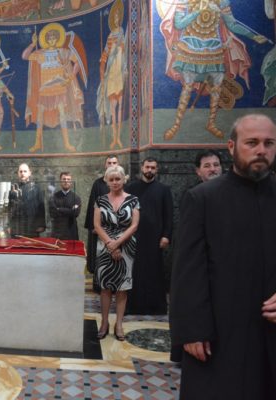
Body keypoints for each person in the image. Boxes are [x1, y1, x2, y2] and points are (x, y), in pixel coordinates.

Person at [171, 114, 276, 399]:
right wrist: (192, 329)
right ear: (232, 146)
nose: (261, 150)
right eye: (252, 142)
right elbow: (188, 270)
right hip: (220, 334)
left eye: (269, 143)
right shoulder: (203, 198)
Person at [160, 0, 268, 140]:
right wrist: (198, 11)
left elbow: (232, 24)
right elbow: (179, 24)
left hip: (214, 48)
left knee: (216, 88)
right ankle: (176, 125)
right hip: (191, 48)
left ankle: (211, 123)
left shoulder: (221, 2)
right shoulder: (185, 1)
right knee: (187, 87)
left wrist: (253, 36)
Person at [22, 22, 87, 152]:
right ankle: (37, 143)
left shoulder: (63, 52)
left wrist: (70, 78)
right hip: (44, 89)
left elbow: (77, 63)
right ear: (46, 40)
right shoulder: (40, 53)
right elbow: (25, 56)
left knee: (62, 114)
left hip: (59, 88)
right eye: (49, 38)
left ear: (57, 39)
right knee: (40, 115)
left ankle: (67, 143)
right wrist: (33, 44)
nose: (51, 40)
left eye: (54, 37)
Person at [93, 165, 139, 341]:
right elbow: (97, 225)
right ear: (106, 181)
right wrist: (110, 244)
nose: (114, 182)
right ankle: (104, 323)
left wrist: (117, 243)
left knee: (122, 288)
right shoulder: (100, 200)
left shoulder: (133, 200)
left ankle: (119, 324)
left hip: (126, 247)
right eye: (111, 179)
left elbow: (134, 225)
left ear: (123, 179)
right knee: (105, 288)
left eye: (117, 179)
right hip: (104, 246)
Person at [125, 157, 173, 315]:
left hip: (155, 238)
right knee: (135, 271)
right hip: (134, 236)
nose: (149, 170)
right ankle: (133, 307)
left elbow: (169, 215)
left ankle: (156, 307)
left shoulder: (164, 190)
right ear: (142, 168)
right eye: (147, 167)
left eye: (153, 167)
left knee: (154, 272)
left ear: (156, 169)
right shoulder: (131, 188)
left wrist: (166, 236)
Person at [96, 0, 127, 150]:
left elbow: (124, 50)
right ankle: (114, 138)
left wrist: (118, 49)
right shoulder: (109, 36)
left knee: (120, 106)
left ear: (120, 18)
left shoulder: (122, 33)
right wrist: (102, 74)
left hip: (119, 71)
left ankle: (119, 137)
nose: (116, 19)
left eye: (118, 17)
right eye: (114, 17)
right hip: (110, 72)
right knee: (113, 106)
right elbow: (104, 55)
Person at [85, 155, 119, 276]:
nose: (111, 165)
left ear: (118, 165)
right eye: (109, 163)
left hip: (117, 228)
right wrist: (93, 226)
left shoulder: (122, 184)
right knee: (100, 260)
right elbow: (92, 205)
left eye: (114, 163)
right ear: (105, 165)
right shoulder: (98, 184)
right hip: (100, 228)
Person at [9, 163, 46, 237]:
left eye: (25, 171)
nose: (22, 173)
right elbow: (9, 208)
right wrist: (9, 225)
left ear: (29, 173)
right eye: (21, 171)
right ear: (18, 173)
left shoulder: (36, 188)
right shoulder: (13, 188)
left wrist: (41, 225)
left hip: (32, 225)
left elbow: (41, 208)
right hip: (17, 226)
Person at [49, 172, 82, 239]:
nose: (66, 181)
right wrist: (70, 210)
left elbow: (75, 213)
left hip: (71, 233)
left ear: (71, 182)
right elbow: (53, 213)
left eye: (68, 179)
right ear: (60, 181)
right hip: (57, 233)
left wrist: (59, 209)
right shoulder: (54, 197)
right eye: (64, 179)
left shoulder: (76, 198)